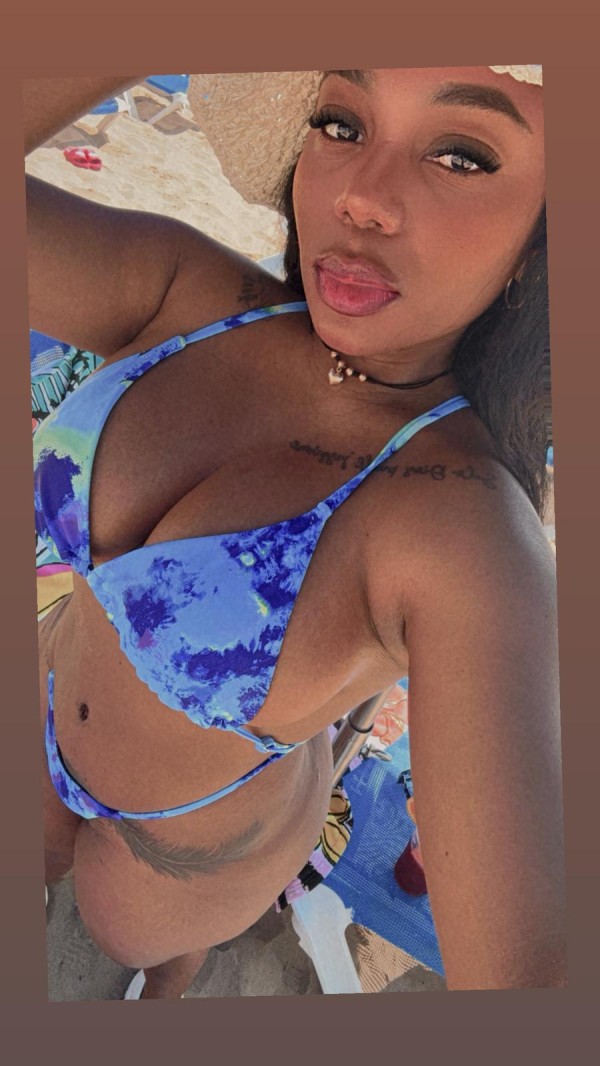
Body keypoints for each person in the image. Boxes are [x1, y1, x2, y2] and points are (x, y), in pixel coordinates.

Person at [26, 66, 565, 997]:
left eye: (461, 155)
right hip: (39, 704)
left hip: (185, 852)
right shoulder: (185, 293)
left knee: (140, 953)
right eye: (341, 123)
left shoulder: (464, 530)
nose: (360, 198)